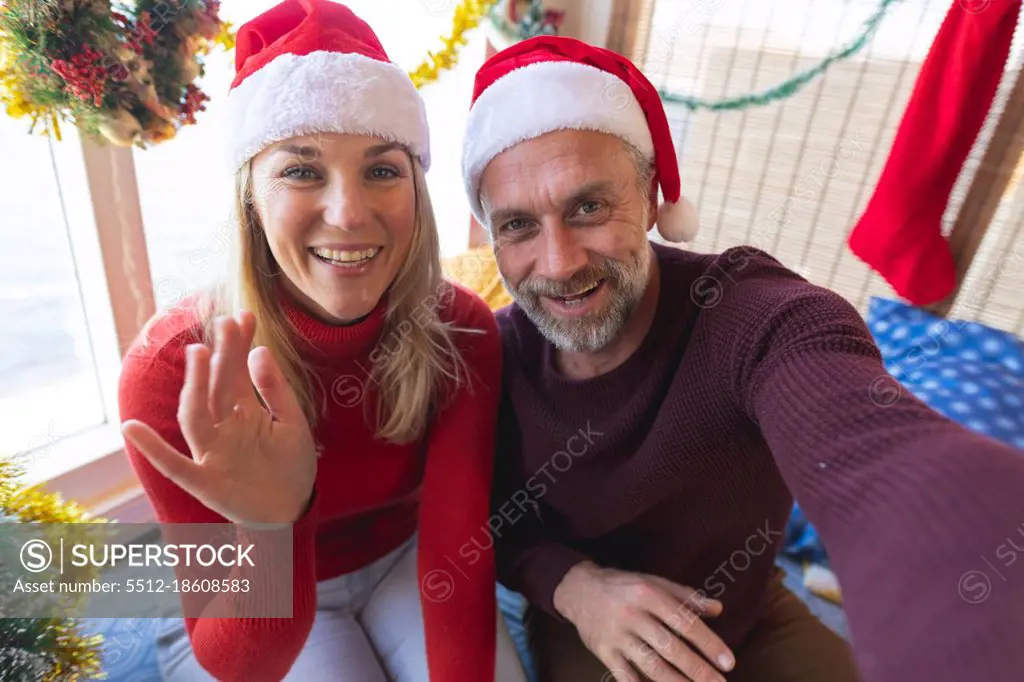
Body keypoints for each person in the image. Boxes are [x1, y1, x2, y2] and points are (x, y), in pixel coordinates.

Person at [460, 35, 1024, 682]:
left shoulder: (749, 316)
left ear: (650, 198)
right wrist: (576, 588)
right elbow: (483, 517)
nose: (559, 263)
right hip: (592, 626)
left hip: (751, 611)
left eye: (589, 206)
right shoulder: (491, 356)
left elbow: (874, 448)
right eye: (518, 226)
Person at [117, 2, 528, 681]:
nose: (348, 214)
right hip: (251, 586)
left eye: (382, 169)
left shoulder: (461, 329)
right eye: (302, 170)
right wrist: (271, 529)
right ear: (251, 195)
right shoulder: (171, 372)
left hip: (402, 555)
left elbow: (457, 534)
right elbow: (237, 660)